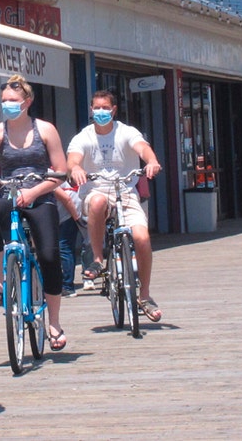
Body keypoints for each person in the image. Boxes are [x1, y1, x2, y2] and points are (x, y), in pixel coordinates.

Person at [0, 75, 70, 351]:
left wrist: (35, 192)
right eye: (4, 102)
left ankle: (54, 321)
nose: (8, 106)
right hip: (9, 190)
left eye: (13, 101)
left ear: (27, 102)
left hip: (40, 193)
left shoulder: (45, 130)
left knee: (48, 255)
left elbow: (60, 171)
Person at [67, 90, 164, 322]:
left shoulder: (126, 132)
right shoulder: (84, 136)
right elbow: (73, 158)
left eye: (105, 108)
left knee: (141, 238)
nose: (100, 112)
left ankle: (146, 295)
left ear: (113, 110)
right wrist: (76, 169)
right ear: (91, 110)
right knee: (98, 202)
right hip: (96, 190)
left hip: (125, 191)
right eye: (96, 108)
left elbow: (142, 147)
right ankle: (98, 258)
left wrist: (151, 161)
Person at [56, 182, 83, 297]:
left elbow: (66, 199)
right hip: (63, 213)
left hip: (69, 212)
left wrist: (77, 218)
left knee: (64, 247)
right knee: (64, 248)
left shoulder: (46, 176)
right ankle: (64, 283)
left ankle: (68, 286)